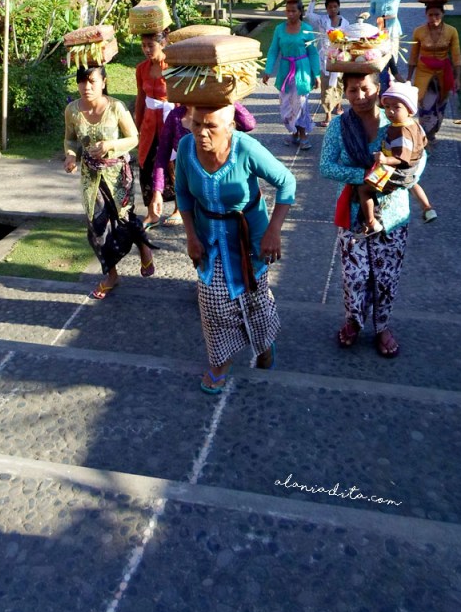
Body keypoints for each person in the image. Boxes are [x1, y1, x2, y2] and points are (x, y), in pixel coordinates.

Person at [176, 104, 296, 394]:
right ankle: (220, 362)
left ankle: (264, 344)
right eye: (197, 124)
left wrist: (274, 231)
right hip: (209, 238)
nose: (201, 133)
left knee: (255, 299)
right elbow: (182, 192)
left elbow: (286, 182)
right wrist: (191, 236)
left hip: (250, 239)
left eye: (211, 126)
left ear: (230, 127)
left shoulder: (246, 148)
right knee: (212, 301)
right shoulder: (186, 148)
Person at [320, 71, 417, 358]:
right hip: (353, 212)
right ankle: (353, 320)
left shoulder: (396, 120)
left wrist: (401, 178)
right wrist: (365, 176)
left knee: (386, 277)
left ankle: (382, 327)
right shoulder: (338, 126)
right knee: (355, 276)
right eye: (352, 90)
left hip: (392, 213)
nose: (360, 97)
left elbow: (418, 157)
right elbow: (326, 166)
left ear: (378, 89)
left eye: (365, 89)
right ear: (344, 92)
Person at [64, 64, 155, 299]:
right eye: (82, 81)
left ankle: (144, 248)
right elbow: (70, 140)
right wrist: (71, 157)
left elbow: (134, 138)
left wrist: (110, 146)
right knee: (96, 227)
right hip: (90, 177)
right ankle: (111, 275)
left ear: (103, 82)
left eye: (92, 81)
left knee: (124, 219)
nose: (86, 87)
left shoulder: (116, 107)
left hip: (117, 175)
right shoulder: (72, 110)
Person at [149, 101, 257, 226]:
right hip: (191, 182)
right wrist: (157, 192)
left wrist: (227, 98)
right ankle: (180, 210)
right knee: (199, 227)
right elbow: (162, 154)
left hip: (222, 180)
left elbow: (249, 125)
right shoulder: (176, 116)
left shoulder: (219, 112)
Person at [356, 80, 436, 237]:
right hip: (411, 169)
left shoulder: (400, 131)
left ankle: (371, 223)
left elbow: (401, 158)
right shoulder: (414, 125)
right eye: (387, 106)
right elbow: (424, 141)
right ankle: (427, 208)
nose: (390, 111)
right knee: (412, 183)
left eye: (396, 107)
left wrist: (385, 160)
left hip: (396, 170)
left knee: (363, 190)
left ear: (410, 110)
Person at [262, 0, 321, 148]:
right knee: (287, 105)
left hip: (302, 72)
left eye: (293, 11)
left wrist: (317, 74)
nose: (290, 14)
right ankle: (294, 132)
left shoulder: (307, 29)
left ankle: (303, 135)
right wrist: (268, 70)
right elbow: (273, 50)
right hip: (285, 71)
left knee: (300, 103)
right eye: (288, 11)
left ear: (300, 12)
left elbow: (313, 53)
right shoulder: (279, 29)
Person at [134, 29, 174, 227]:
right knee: (148, 164)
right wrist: (137, 125)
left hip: (171, 120)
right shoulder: (141, 69)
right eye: (144, 46)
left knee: (174, 164)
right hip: (150, 123)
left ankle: (179, 209)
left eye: (151, 45)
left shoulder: (174, 65)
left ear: (163, 43)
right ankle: (152, 212)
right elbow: (140, 98)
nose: (147, 50)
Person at [407, 2, 461, 140]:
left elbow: (456, 56)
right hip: (423, 71)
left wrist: (457, 78)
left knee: (441, 102)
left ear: (443, 14)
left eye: (437, 14)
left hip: (443, 71)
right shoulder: (419, 31)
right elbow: (413, 56)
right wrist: (408, 78)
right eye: (430, 15)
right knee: (424, 103)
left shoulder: (452, 31)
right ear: (426, 15)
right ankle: (425, 134)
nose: (433, 18)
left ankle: (433, 132)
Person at [305, 0, 351, 127]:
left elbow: (349, 40)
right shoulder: (322, 20)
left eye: (335, 6)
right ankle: (328, 114)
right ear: (326, 9)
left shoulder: (345, 23)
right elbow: (308, 14)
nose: (333, 9)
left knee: (339, 84)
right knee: (326, 86)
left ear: (339, 7)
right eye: (330, 7)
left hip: (340, 59)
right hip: (325, 59)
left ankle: (338, 105)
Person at [368, 0, 416, 82]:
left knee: (393, 54)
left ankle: (392, 79)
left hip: (393, 29)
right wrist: (366, 15)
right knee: (379, 53)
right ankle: (381, 79)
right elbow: (371, 11)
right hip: (379, 29)